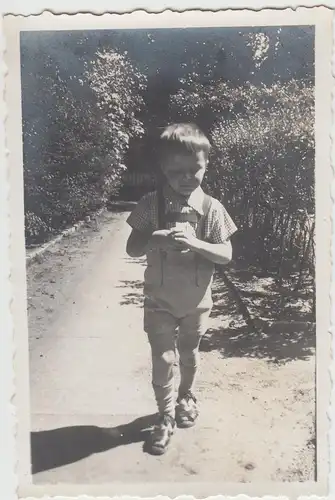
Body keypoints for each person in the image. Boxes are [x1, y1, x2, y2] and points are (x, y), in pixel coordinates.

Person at [126, 123, 237, 455]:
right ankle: (165, 416)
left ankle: (186, 395)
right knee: (163, 357)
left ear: (206, 165)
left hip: (197, 301)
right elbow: (133, 247)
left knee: (188, 354)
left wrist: (197, 243)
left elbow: (226, 254)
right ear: (163, 169)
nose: (187, 178)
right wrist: (154, 238)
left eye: (195, 169)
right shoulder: (151, 205)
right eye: (177, 171)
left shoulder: (212, 209)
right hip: (158, 300)